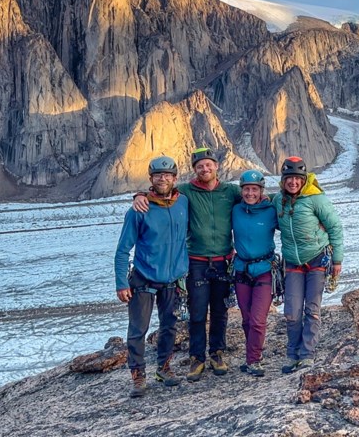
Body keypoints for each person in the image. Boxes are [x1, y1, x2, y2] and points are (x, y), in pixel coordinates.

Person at [133, 146, 241, 380]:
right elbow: (161, 190)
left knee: (221, 311)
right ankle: (197, 358)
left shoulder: (230, 192)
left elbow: (257, 198)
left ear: (216, 166)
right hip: (197, 262)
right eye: (200, 166)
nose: (205, 168)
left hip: (224, 261)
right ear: (195, 170)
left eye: (208, 164)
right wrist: (140, 194)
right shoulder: (185, 191)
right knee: (197, 311)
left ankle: (217, 353)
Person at [114, 155, 190, 398]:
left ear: (175, 178)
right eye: (158, 175)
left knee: (169, 326)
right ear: (151, 179)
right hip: (144, 278)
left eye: (167, 175)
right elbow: (122, 249)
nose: (163, 179)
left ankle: (164, 368)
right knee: (138, 329)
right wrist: (121, 282)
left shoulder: (183, 203)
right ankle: (138, 375)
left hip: (173, 279)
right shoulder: (139, 210)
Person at [273, 156, 344, 374]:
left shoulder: (316, 199)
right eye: (289, 178)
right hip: (293, 262)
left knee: (312, 309)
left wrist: (338, 261)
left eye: (297, 178)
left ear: (304, 179)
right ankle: (292, 354)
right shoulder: (278, 201)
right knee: (292, 312)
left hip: (317, 259)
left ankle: (307, 354)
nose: (293, 182)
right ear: (283, 180)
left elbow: (335, 227)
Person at [230, 170, 279, 377]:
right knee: (246, 319)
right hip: (241, 270)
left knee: (258, 319)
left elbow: (290, 204)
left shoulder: (270, 210)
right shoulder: (234, 210)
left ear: (261, 191)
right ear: (241, 191)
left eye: (255, 189)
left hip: (265, 270)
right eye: (247, 189)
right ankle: (253, 355)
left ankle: (254, 360)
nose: (250, 193)